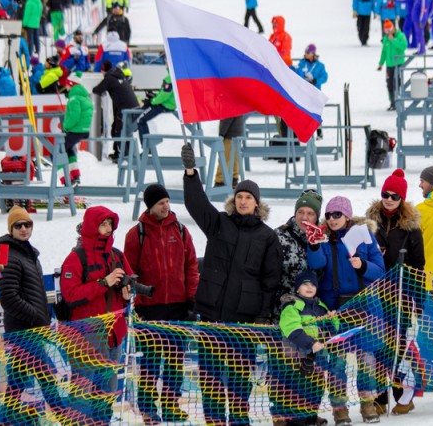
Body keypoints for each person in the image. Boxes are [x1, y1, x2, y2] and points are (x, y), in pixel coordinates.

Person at [181, 143, 283, 425]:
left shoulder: (267, 236)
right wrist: (191, 173)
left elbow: (270, 280)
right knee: (210, 376)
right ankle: (214, 420)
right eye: (239, 196)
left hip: (245, 320)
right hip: (212, 314)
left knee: (239, 378)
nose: (242, 201)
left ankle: (240, 420)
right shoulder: (218, 223)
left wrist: (262, 315)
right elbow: (196, 203)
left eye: (248, 197)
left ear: (257, 203)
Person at [306, 195, 385, 425]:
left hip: (365, 306)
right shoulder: (321, 237)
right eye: (329, 215)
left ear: (347, 216)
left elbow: (380, 271)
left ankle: (368, 405)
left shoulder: (364, 236)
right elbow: (316, 265)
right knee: (337, 363)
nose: (332, 219)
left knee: (367, 360)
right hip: (335, 309)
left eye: (337, 214)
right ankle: (340, 411)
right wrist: (313, 245)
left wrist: (363, 266)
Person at [124, 183, 199, 425]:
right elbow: (130, 272)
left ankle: (170, 405)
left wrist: (191, 299)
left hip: (178, 306)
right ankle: (147, 408)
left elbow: (191, 268)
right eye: (160, 203)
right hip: (150, 307)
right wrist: (139, 297)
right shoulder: (136, 234)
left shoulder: (181, 230)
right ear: (150, 206)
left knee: (175, 361)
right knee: (150, 362)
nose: (165, 206)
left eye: (167, 201)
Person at [0, 207, 78, 425]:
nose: (24, 229)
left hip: (33, 328)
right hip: (24, 331)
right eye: (18, 225)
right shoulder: (9, 255)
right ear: (11, 229)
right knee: (46, 375)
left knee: (18, 378)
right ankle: (63, 416)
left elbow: (35, 293)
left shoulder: (29, 253)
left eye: (27, 224)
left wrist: (46, 315)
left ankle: (7, 418)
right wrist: (36, 317)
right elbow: (9, 298)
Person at [60, 206, 134, 424]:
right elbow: (70, 295)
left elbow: (129, 282)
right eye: (103, 224)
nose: (108, 228)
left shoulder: (117, 255)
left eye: (110, 224)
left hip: (114, 335)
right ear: (92, 226)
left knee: (107, 393)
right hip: (85, 337)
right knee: (82, 393)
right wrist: (103, 282)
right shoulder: (76, 258)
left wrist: (127, 295)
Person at [365, 169, 425, 415]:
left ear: (402, 199)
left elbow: (418, 266)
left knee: (398, 346)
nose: (388, 199)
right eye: (385, 194)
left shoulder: (411, 229)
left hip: (399, 294)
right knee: (377, 345)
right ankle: (379, 398)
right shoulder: (371, 223)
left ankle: (402, 395)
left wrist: (417, 300)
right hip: (376, 293)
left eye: (394, 196)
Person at [278, 271, 337, 426]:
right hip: (297, 356)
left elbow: (331, 330)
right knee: (298, 387)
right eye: (305, 284)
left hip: (316, 356)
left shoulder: (321, 306)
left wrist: (332, 319)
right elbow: (292, 329)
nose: (309, 287)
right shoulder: (291, 307)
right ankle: (296, 420)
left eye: (312, 284)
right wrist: (310, 344)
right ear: (297, 289)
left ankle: (311, 416)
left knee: (316, 386)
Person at [274, 189, 323, 319]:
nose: (304, 217)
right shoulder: (279, 236)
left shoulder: (323, 238)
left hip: (311, 312)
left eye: (310, 213)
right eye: (300, 212)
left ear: (317, 217)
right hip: (282, 309)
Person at [92, 59, 140, 162]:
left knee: (119, 132)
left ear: (103, 70)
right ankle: (125, 154)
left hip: (125, 109)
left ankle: (124, 157)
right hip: (133, 107)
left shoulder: (109, 78)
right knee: (123, 131)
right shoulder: (119, 75)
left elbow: (97, 90)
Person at [61, 71, 93, 187]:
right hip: (83, 130)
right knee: (69, 150)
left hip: (75, 130)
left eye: (67, 85)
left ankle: (67, 180)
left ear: (71, 84)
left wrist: (66, 126)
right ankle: (75, 176)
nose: (66, 87)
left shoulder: (74, 98)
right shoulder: (84, 97)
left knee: (58, 152)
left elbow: (75, 116)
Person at [136, 68, 177, 146]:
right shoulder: (174, 75)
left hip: (165, 105)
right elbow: (163, 93)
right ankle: (147, 148)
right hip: (169, 104)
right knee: (142, 118)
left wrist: (152, 101)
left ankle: (146, 148)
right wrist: (154, 96)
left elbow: (164, 96)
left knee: (141, 120)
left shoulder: (170, 77)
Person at [295, 44, 328, 138]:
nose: (305, 54)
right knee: (304, 112)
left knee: (316, 113)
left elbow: (324, 76)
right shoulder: (302, 63)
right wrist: (303, 77)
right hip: (304, 92)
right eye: (305, 52)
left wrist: (316, 81)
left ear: (313, 53)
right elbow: (297, 73)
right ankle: (305, 132)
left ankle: (319, 132)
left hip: (315, 92)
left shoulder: (320, 65)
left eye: (307, 52)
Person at [377, 19, 407, 111]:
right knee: (389, 84)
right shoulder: (386, 38)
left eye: (389, 29)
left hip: (398, 63)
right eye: (386, 30)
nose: (388, 32)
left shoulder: (400, 36)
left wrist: (393, 40)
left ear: (393, 28)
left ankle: (398, 102)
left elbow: (403, 46)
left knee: (396, 83)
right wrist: (381, 63)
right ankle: (392, 102)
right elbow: (384, 52)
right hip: (389, 64)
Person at [213, 116, 244, 188]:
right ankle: (234, 178)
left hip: (229, 135)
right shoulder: (239, 105)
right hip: (238, 134)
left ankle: (220, 180)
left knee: (224, 158)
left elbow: (226, 119)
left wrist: (221, 134)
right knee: (235, 158)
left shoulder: (228, 105)